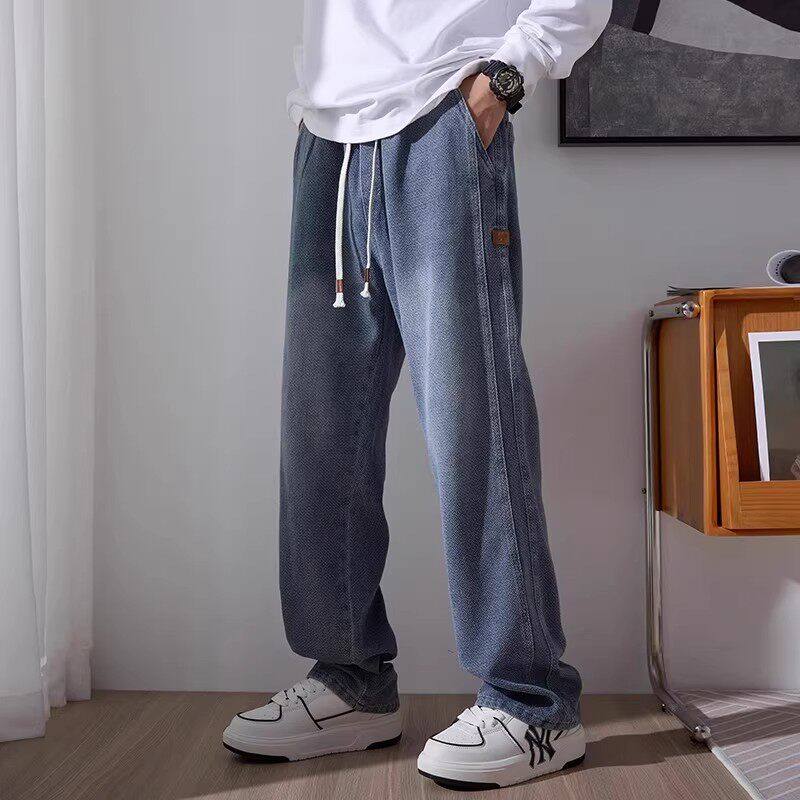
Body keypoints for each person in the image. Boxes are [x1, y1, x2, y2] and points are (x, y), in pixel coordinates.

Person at [222, 0, 611, 789]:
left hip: (443, 116)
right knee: (320, 432)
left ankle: (534, 701)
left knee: (474, 424)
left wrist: (505, 77)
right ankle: (350, 680)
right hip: (330, 132)